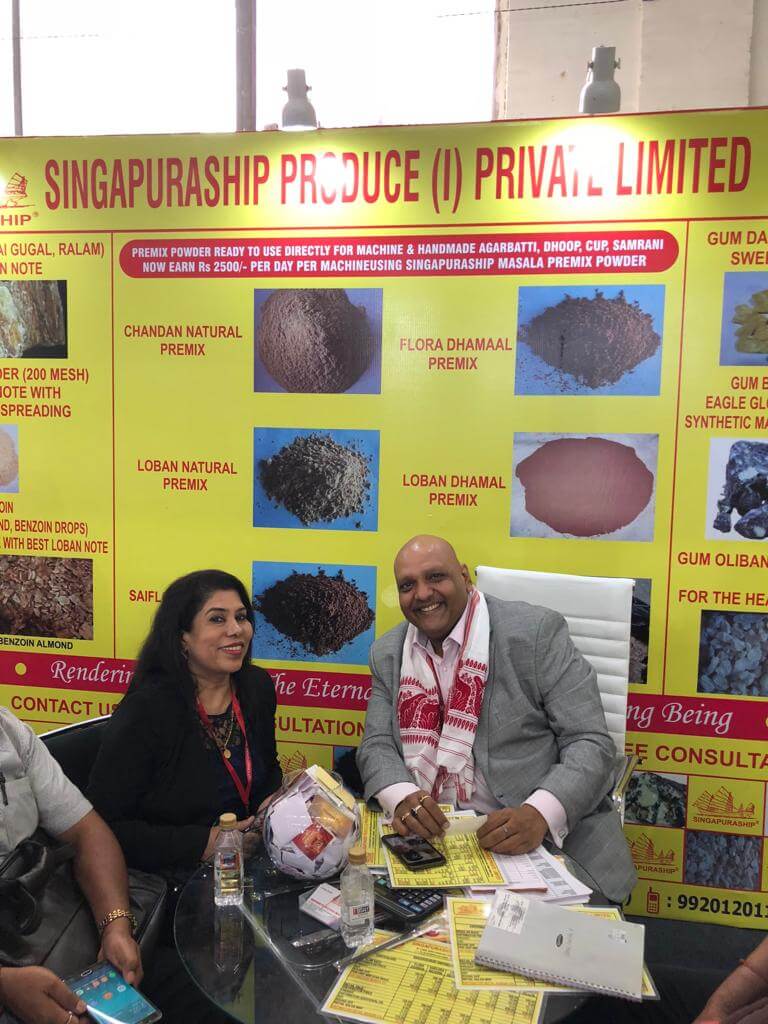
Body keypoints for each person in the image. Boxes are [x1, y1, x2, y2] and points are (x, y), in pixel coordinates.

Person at [357, 534, 637, 903]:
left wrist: (539, 813)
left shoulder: (535, 633)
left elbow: (590, 742)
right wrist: (403, 795)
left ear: (463, 576)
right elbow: (376, 744)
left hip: (546, 844)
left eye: (436, 577)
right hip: (439, 843)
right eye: (407, 585)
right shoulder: (389, 653)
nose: (422, 594)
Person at [88, 569, 282, 886]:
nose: (236, 630)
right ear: (183, 637)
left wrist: (272, 802)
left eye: (241, 617)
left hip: (250, 864)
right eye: (217, 619)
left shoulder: (256, 686)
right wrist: (201, 843)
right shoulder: (147, 711)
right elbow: (103, 827)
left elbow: (267, 768)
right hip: (172, 878)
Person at [0, 706, 142, 1024]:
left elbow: (86, 832)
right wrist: (5, 986)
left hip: (45, 934)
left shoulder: (9, 731)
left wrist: (116, 927)